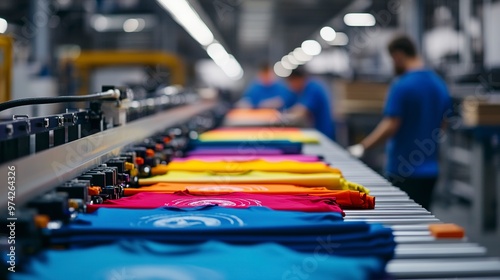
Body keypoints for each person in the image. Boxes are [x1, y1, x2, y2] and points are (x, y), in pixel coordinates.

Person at [348, 35, 452, 210]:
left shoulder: (402, 85)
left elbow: (391, 124)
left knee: (402, 224)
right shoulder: (439, 84)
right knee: (423, 221)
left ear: (398, 55)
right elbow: (444, 123)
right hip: (431, 169)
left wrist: (362, 147)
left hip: (402, 170)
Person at [282, 67, 335, 140]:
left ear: (297, 79)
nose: (291, 87)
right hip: (317, 133)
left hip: (323, 134)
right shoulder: (304, 89)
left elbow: (300, 111)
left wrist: (281, 118)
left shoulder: (312, 88)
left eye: (291, 83)